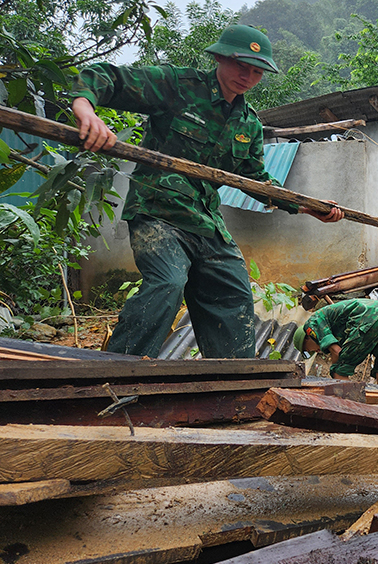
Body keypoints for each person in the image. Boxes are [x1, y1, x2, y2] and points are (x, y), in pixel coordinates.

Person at [72, 24, 342, 359]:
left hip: (206, 222)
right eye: (241, 65)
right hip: (159, 213)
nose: (247, 76)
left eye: (257, 71)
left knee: (234, 292)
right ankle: (114, 375)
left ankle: (230, 385)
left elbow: (254, 180)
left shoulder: (249, 124)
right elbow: (106, 76)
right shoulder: (178, 87)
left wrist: (306, 207)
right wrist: (86, 110)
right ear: (219, 57)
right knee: (167, 283)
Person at [293, 297, 378, 384]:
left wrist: (335, 368)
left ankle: (350, 405)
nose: (315, 351)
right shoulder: (333, 326)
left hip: (369, 317)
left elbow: (336, 351)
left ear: (306, 338)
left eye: (308, 350)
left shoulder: (312, 324)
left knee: (338, 369)